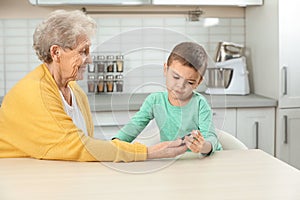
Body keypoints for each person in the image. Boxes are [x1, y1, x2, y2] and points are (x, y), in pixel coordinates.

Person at [0, 10, 188, 162]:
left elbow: (83, 148)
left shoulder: (75, 91)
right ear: (56, 52)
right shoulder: (35, 92)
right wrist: (148, 152)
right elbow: (79, 147)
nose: (89, 59)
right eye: (83, 51)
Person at [114, 42, 222, 155]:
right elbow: (134, 127)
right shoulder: (155, 101)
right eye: (176, 77)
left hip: (202, 161)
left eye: (190, 82)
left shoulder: (200, 104)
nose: (180, 86)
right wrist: (114, 145)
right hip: (173, 162)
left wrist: (203, 146)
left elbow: (211, 137)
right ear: (165, 69)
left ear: (198, 82)